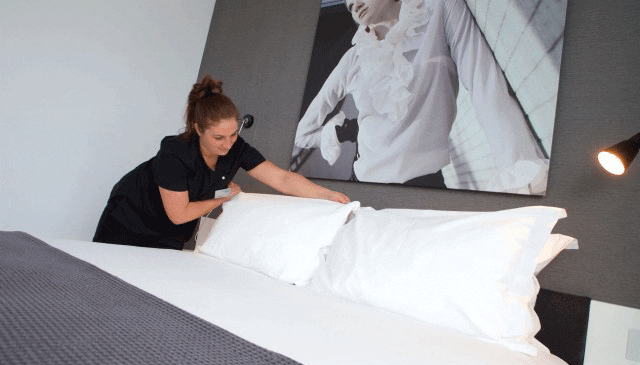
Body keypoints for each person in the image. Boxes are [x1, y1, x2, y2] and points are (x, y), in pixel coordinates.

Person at [294, 0, 548, 194]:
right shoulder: (353, 59)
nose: (352, 3)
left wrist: (519, 167)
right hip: (363, 186)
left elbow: (484, 84)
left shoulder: (439, 10)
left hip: (427, 186)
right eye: (347, 2)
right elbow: (301, 134)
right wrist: (341, 133)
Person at [93, 75, 350, 250]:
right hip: (128, 220)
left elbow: (281, 178)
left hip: (169, 233)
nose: (227, 145)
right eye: (218, 138)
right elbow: (178, 213)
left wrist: (327, 194)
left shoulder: (235, 148)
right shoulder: (175, 152)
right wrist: (224, 196)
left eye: (233, 134)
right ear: (198, 129)